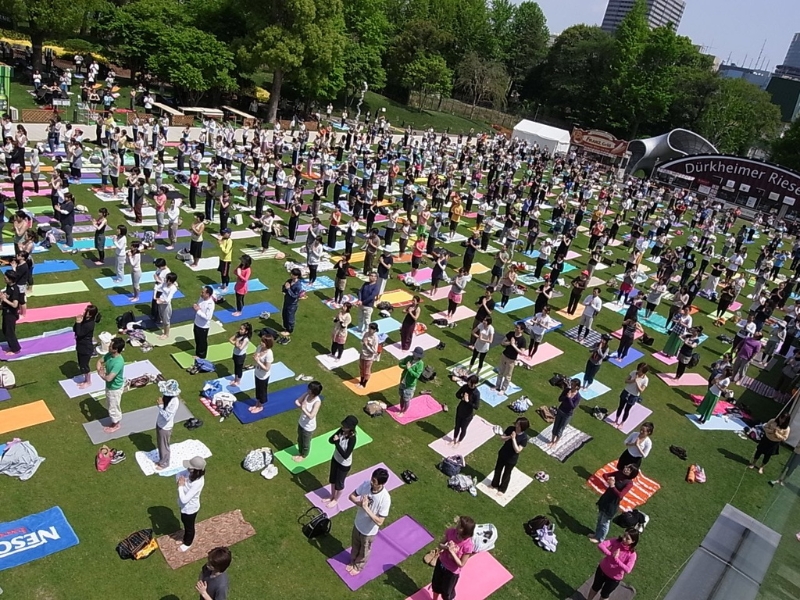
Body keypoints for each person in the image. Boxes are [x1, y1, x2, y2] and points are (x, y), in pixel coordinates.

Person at [347, 468, 392, 575]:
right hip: (358, 524)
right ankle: (352, 561)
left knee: (364, 550)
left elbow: (380, 521)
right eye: (372, 479)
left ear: (382, 483)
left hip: (369, 531)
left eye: (375, 482)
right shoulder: (366, 484)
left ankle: (358, 566)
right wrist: (359, 503)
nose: (372, 482)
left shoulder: (385, 498)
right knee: (355, 545)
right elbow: (351, 496)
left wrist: (366, 508)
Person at [589, 463, 639, 544]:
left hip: (612, 504)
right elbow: (605, 475)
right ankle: (596, 535)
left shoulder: (629, 483)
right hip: (606, 498)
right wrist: (609, 480)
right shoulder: (619, 473)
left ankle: (600, 539)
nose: (625, 469)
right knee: (600, 518)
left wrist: (612, 486)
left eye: (629, 469)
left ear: (632, 473)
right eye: (626, 466)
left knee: (604, 522)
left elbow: (620, 495)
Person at [585, 529, 639, 600]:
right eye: (624, 535)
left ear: (633, 541)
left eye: (627, 538)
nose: (624, 539)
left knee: (604, 595)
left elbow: (628, 569)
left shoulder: (632, 554)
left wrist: (616, 560)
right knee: (595, 587)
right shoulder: (616, 541)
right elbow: (601, 545)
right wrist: (611, 555)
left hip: (614, 578)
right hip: (602, 570)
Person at [430, 516, 475, 600]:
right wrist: (446, 547)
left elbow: (461, 564)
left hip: (451, 572)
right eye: (459, 524)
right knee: (435, 585)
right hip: (441, 563)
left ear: (466, 531)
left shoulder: (468, 545)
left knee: (447, 593)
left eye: (461, 526)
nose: (458, 525)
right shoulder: (451, 532)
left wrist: (452, 553)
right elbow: (440, 545)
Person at [490, 417, 530, 496]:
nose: (516, 425)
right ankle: (494, 484)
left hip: (511, 459)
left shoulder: (524, 437)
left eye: (518, 424)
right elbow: (502, 438)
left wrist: (514, 439)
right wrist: (509, 437)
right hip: (503, 453)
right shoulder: (510, 429)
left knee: (506, 474)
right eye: (517, 423)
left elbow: (517, 450)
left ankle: (502, 489)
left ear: (522, 427)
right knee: (498, 469)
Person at [327, 415, 359, 507]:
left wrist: (337, 443)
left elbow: (346, 455)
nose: (343, 427)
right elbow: (330, 440)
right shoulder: (341, 431)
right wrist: (334, 439)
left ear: (350, 428)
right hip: (335, 458)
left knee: (339, 483)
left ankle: (336, 500)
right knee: (332, 479)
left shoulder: (352, 439)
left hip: (344, 464)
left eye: (346, 426)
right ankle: (332, 496)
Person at [177, 456, 206, 552]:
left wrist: (180, 486)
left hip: (190, 509)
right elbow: (178, 475)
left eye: (190, 467)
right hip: (183, 506)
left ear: (196, 470)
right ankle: (185, 537)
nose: (187, 469)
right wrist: (180, 481)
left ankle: (187, 543)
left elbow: (185, 499)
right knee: (184, 521)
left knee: (189, 527)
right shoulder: (189, 473)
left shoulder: (198, 482)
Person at [97, 337, 126, 433]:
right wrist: (99, 369)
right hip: (110, 386)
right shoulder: (109, 355)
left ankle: (116, 424)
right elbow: (99, 361)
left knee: (113, 407)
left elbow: (109, 378)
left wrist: (101, 374)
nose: (108, 347)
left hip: (115, 388)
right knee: (111, 404)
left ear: (116, 349)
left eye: (110, 346)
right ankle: (115, 421)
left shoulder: (118, 362)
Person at [154, 379, 181, 470]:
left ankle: (164, 463)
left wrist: (160, 405)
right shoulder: (167, 397)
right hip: (160, 423)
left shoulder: (174, 402)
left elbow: (167, 417)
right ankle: (162, 460)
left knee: (164, 446)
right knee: (160, 444)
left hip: (165, 427)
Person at [294, 381, 323, 463]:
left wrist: (303, 409)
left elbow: (311, 416)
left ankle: (304, 455)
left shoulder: (317, 402)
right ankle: (300, 453)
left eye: (309, 389)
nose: (308, 390)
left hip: (308, 427)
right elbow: (297, 401)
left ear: (313, 392)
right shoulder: (306, 395)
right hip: (301, 422)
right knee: (300, 439)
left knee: (306, 443)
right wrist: (302, 407)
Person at [615, 363, 649, 429]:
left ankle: (622, 423)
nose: (639, 371)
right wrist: (633, 380)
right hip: (626, 391)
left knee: (627, 410)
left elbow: (641, 390)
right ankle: (616, 419)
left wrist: (637, 383)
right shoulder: (633, 372)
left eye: (641, 370)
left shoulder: (645, 379)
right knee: (620, 406)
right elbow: (626, 381)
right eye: (639, 369)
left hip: (633, 395)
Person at [494, 323, 526, 394]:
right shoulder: (511, 334)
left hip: (512, 359)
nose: (516, 329)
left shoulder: (522, 340)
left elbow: (522, 352)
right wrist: (509, 343)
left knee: (508, 375)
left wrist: (513, 345)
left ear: (522, 330)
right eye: (516, 327)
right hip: (504, 355)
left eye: (518, 328)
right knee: (500, 371)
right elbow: (502, 342)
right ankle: (497, 386)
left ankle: (503, 389)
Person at [74, 304, 100, 388]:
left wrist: (78, 323)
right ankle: (85, 380)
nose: (84, 311)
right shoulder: (85, 320)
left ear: (91, 314)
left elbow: (79, 333)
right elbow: (75, 330)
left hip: (86, 348)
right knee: (81, 364)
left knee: (85, 366)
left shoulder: (90, 324)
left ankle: (88, 382)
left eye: (86, 311)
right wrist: (77, 323)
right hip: (81, 346)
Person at [551, 378, 582, 446]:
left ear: (577, 387)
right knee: (556, 425)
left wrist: (569, 398)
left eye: (573, 385)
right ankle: (552, 440)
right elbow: (560, 399)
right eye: (571, 384)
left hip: (567, 414)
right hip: (560, 410)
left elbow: (572, 407)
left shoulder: (578, 397)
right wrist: (566, 396)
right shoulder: (567, 390)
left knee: (561, 428)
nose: (572, 386)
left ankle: (556, 442)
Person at [452, 375, 481, 448]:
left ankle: (459, 441)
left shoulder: (476, 393)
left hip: (467, 414)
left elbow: (476, 406)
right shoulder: (465, 387)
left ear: (475, 383)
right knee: (457, 426)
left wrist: (468, 401)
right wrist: (462, 397)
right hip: (460, 410)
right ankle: (454, 439)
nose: (468, 383)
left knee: (463, 428)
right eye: (468, 381)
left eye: (470, 382)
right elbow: (457, 394)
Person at [250, 333, 274, 413]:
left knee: (262, 391)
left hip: (263, 376)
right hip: (257, 372)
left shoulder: (269, 354)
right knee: (257, 389)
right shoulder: (259, 347)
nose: (261, 343)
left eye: (263, 342)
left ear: (267, 343)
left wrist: (258, 361)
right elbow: (256, 355)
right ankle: (257, 403)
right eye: (261, 341)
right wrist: (255, 357)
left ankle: (260, 406)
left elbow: (267, 368)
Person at [397, 347, 425, 416]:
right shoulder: (409, 358)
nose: (414, 355)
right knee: (401, 396)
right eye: (414, 354)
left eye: (416, 355)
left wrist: (409, 369)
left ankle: (403, 411)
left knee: (406, 399)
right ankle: (401, 408)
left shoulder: (420, 364)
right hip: (403, 381)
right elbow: (400, 364)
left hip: (410, 385)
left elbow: (417, 375)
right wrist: (405, 367)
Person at [193, 286, 215, 360]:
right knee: (197, 339)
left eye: (203, 292)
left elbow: (208, 317)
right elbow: (199, 306)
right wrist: (196, 307)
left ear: (208, 294)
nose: (201, 293)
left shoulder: (210, 304)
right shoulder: (201, 298)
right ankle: (197, 353)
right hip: (197, 323)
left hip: (203, 326)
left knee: (202, 341)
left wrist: (198, 310)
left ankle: (201, 356)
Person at [229, 323, 253, 388]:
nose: (240, 330)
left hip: (240, 356)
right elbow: (230, 339)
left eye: (242, 329)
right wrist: (236, 343)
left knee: (239, 368)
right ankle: (235, 379)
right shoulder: (238, 334)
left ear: (246, 331)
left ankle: (238, 381)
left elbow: (240, 348)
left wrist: (237, 341)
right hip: (235, 354)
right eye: (240, 329)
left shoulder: (246, 339)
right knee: (235, 367)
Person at [281, 268, 303, 336]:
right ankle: (285, 327)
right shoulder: (289, 281)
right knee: (284, 314)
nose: (291, 275)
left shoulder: (298, 285)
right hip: (286, 301)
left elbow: (295, 296)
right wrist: (285, 289)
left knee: (290, 317)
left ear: (296, 276)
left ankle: (289, 330)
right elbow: (284, 287)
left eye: (293, 274)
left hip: (292, 304)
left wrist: (288, 289)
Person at [358, 322, 381, 388]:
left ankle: (364, 384)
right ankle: (361, 381)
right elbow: (362, 341)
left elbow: (374, 351)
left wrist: (367, 345)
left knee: (367, 370)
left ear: (374, 330)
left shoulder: (375, 338)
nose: (369, 330)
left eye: (371, 329)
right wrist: (363, 342)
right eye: (369, 328)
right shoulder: (366, 334)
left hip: (369, 357)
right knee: (361, 368)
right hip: (363, 354)